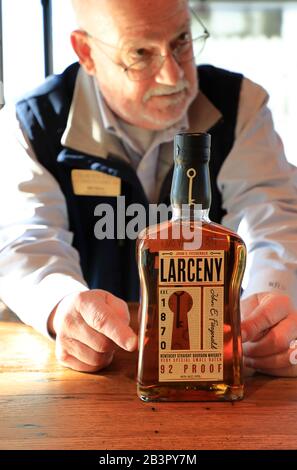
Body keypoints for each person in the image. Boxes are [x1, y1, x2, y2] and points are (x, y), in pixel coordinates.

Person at [0, 0, 297, 377]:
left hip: (211, 358)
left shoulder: (241, 105)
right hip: (103, 373)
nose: (173, 76)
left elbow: (272, 218)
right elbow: (27, 240)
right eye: (141, 53)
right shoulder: (33, 125)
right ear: (87, 52)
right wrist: (62, 306)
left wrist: (268, 305)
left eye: (181, 42)